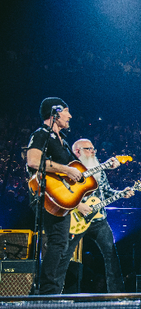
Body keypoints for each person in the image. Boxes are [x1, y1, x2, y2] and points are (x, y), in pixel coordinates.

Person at [26, 97, 89, 294]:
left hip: (60, 200)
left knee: (60, 243)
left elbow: (74, 176)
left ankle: (51, 290)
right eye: (67, 112)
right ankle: (48, 291)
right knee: (58, 242)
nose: (70, 116)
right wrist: (65, 169)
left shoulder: (64, 142)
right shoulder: (41, 134)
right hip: (46, 197)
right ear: (54, 112)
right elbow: (33, 161)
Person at [61, 139, 133, 293]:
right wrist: (78, 205)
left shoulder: (98, 168)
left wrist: (122, 193)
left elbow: (106, 191)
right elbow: (61, 193)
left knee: (111, 255)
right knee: (64, 255)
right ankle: (56, 292)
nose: (93, 152)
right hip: (76, 218)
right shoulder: (69, 168)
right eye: (88, 149)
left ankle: (117, 294)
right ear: (77, 151)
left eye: (94, 149)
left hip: (99, 219)